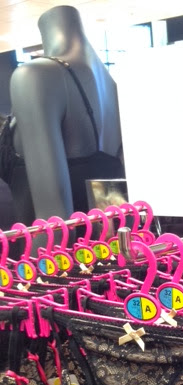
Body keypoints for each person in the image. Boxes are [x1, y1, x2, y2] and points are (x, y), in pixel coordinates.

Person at [9, 5, 124, 227]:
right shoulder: (112, 86)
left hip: (45, 248)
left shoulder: (34, 76)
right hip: (107, 242)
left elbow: (55, 224)